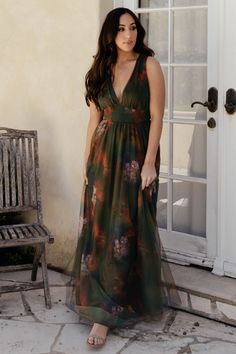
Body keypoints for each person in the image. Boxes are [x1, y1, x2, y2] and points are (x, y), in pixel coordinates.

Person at [68, 7, 180, 349]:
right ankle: (100, 303)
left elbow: (158, 118)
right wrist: (86, 166)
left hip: (135, 161)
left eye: (133, 28)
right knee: (100, 232)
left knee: (125, 231)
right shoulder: (100, 70)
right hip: (102, 160)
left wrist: (149, 164)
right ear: (110, 35)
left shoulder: (150, 66)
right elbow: (94, 121)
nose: (128, 35)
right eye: (120, 29)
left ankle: (106, 315)